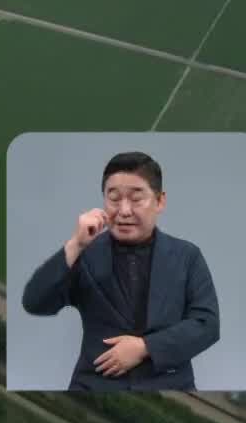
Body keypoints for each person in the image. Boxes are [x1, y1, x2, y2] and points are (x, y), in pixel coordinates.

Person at [21, 151, 219, 391]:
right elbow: (35, 302)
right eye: (114, 198)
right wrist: (75, 244)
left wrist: (145, 347)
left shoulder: (187, 256)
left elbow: (207, 325)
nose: (124, 211)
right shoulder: (86, 254)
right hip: (93, 387)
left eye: (136, 199)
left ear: (160, 201)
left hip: (170, 389)